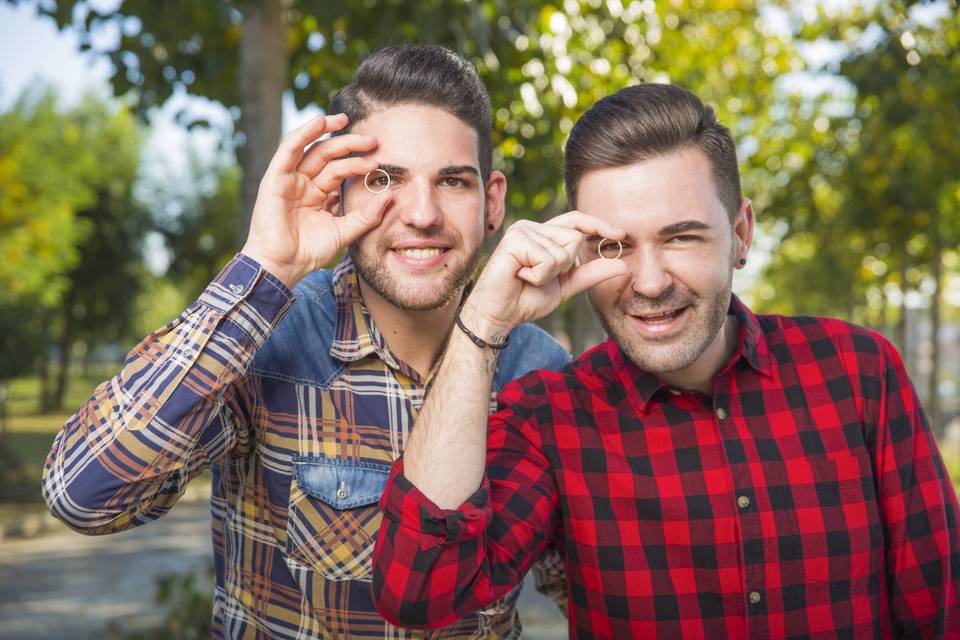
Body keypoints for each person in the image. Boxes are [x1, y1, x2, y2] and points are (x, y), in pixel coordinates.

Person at [372, 83, 960, 638]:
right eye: (614, 246)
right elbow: (420, 592)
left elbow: (940, 610)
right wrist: (483, 324)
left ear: (740, 234)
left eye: (681, 238)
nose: (649, 283)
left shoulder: (858, 372)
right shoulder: (547, 417)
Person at [41, 44, 570, 639]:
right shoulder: (270, 342)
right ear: (337, 191)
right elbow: (82, 495)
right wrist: (265, 265)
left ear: (491, 201)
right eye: (384, 179)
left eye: (451, 181)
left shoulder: (540, 371)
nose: (422, 214)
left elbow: (597, 582)